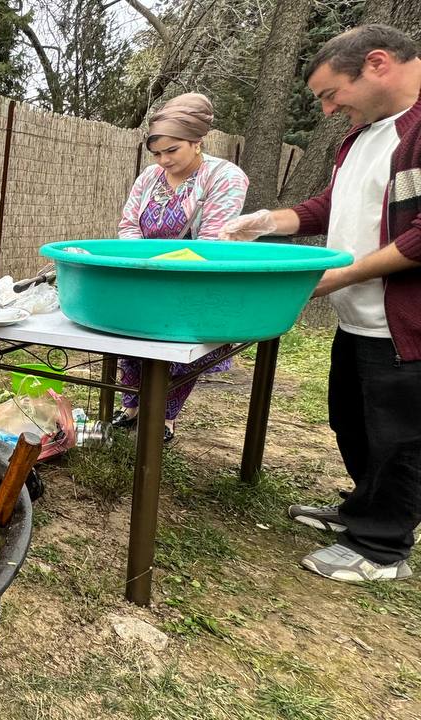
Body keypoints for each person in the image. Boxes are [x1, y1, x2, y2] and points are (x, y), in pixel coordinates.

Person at [221, 24, 421, 583]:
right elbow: (330, 206)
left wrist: (338, 276)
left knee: (398, 438)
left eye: (332, 94)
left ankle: (382, 549)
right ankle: (362, 510)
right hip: (359, 317)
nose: (329, 109)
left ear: (377, 64)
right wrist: (268, 221)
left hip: (405, 326)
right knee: (353, 423)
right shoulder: (362, 136)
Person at [112, 93, 250, 443]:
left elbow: (214, 242)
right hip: (144, 277)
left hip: (196, 283)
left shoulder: (225, 177)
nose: (163, 160)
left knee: (178, 355)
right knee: (132, 345)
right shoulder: (149, 177)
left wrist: (165, 270)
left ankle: (165, 417)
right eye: (157, 153)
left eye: (172, 150)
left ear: (197, 141)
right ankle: (131, 407)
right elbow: (129, 225)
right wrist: (140, 264)